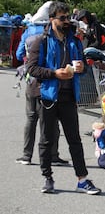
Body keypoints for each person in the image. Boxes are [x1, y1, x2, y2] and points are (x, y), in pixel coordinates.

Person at [27, 1, 101, 195]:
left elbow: (84, 67)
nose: (67, 21)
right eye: (62, 18)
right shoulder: (41, 41)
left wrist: (81, 68)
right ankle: (47, 178)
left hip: (69, 96)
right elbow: (32, 69)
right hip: (48, 97)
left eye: (68, 17)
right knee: (46, 140)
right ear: (52, 20)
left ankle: (82, 180)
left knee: (74, 140)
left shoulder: (75, 41)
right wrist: (54, 73)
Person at [15, 23, 68, 166]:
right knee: (52, 121)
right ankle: (53, 155)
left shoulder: (29, 32)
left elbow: (19, 54)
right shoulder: (57, 40)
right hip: (50, 86)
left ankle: (27, 155)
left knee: (31, 119)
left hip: (32, 84)